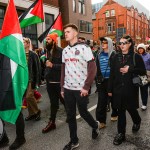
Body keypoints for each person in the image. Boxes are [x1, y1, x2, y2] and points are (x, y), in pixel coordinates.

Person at [61, 23, 100, 150]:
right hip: (68, 89)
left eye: (68, 31)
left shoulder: (85, 48)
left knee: (83, 112)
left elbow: (93, 68)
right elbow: (63, 69)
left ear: (75, 33)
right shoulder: (65, 50)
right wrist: (62, 87)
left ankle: (95, 125)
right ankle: (74, 141)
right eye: (65, 32)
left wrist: (86, 86)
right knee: (70, 115)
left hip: (81, 89)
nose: (65, 34)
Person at [108, 35, 146, 145]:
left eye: (124, 43)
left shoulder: (136, 57)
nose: (121, 45)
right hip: (118, 89)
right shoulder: (115, 57)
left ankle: (137, 120)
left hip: (131, 89)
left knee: (131, 108)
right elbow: (112, 74)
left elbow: (143, 71)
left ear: (130, 44)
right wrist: (110, 89)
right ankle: (121, 134)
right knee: (121, 111)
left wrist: (130, 69)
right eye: (120, 43)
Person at [0, 54, 26, 149]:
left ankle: (20, 138)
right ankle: (3, 137)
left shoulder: (9, 49)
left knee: (16, 111)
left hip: (11, 85)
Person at [42, 33, 65, 133]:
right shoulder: (47, 51)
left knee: (64, 100)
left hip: (58, 82)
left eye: (48, 39)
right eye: (46, 40)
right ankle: (52, 123)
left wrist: (53, 66)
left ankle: (70, 114)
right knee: (53, 103)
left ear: (54, 41)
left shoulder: (61, 51)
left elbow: (65, 67)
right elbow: (47, 65)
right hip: (49, 82)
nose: (46, 41)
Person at [96, 37, 118, 129]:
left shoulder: (114, 55)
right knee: (101, 102)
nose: (103, 44)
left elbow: (116, 70)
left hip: (111, 81)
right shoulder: (99, 54)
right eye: (102, 42)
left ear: (109, 43)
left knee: (113, 99)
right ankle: (101, 121)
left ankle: (115, 113)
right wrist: (97, 80)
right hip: (102, 82)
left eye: (105, 42)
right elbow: (97, 68)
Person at [23, 37, 41, 121]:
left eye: (23, 42)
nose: (22, 44)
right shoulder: (20, 54)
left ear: (27, 44)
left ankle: (37, 112)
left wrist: (37, 81)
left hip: (31, 79)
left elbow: (37, 68)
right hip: (23, 79)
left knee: (29, 96)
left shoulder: (33, 54)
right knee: (27, 98)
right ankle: (32, 114)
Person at [137, 43, 150, 110]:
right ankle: (135, 104)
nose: (140, 50)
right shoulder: (136, 56)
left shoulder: (148, 56)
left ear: (144, 49)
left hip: (145, 76)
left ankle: (144, 104)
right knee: (135, 90)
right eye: (139, 49)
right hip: (136, 75)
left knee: (144, 90)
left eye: (141, 48)